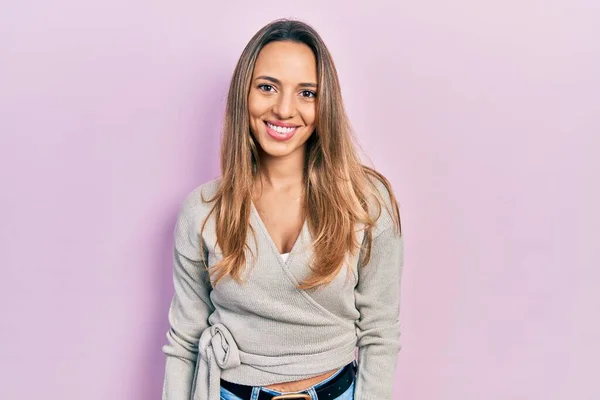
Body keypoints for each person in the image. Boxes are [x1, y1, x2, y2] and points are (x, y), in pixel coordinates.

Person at [162, 18, 403, 400]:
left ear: (326, 104)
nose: (284, 109)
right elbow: (184, 341)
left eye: (307, 92)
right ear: (245, 93)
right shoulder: (203, 211)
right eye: (267, 87)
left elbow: (380, 332)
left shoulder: (368, 202)